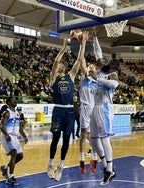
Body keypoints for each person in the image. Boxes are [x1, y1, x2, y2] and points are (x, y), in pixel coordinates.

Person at [47, 31, 89, 181]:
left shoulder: (70, 75)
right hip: (58, 109)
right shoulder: (53, 78)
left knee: (66, 140)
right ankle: (50, 164)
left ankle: (61, 166)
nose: (61, 65)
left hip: (70, 111)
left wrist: (83, 42)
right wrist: (64, 49)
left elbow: (79, 59)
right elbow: (56, 63)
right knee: (55, 138)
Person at [89, 28, 119, 185]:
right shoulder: (99, 71)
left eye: (103, 59)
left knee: (105, 139)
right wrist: (94, 36)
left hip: (105, 108)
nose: (100, 59)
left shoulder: (111, 74)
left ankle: (110, 170)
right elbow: (97, 51)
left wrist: (97, 79)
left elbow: (114, 84)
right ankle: (105, 166)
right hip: (95, 108)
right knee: (93, 140)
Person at [0, 96, 28, 186]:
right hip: (6, 136)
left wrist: (24, 136)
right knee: (14, 153)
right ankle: (10, 177)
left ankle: (5, 167)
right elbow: (1, 126)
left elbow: (19, 127)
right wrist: (7, 135)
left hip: (14, 137)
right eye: (13, 100)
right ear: (8, 102)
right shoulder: (7, 113)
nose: (15, 100)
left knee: (20, 156)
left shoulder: (17, 114)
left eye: (15, 99)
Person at [78, 58, 98, 174]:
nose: (90, 68)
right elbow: (81, 61)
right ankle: (82, 161)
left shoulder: (98, 82)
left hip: (94, 109)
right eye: (89, 67)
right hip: (85, 108)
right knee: (84, 134)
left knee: (91, 136)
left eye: (93, 67)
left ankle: (94, 161)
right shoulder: (85, 78)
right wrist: (83, 43)